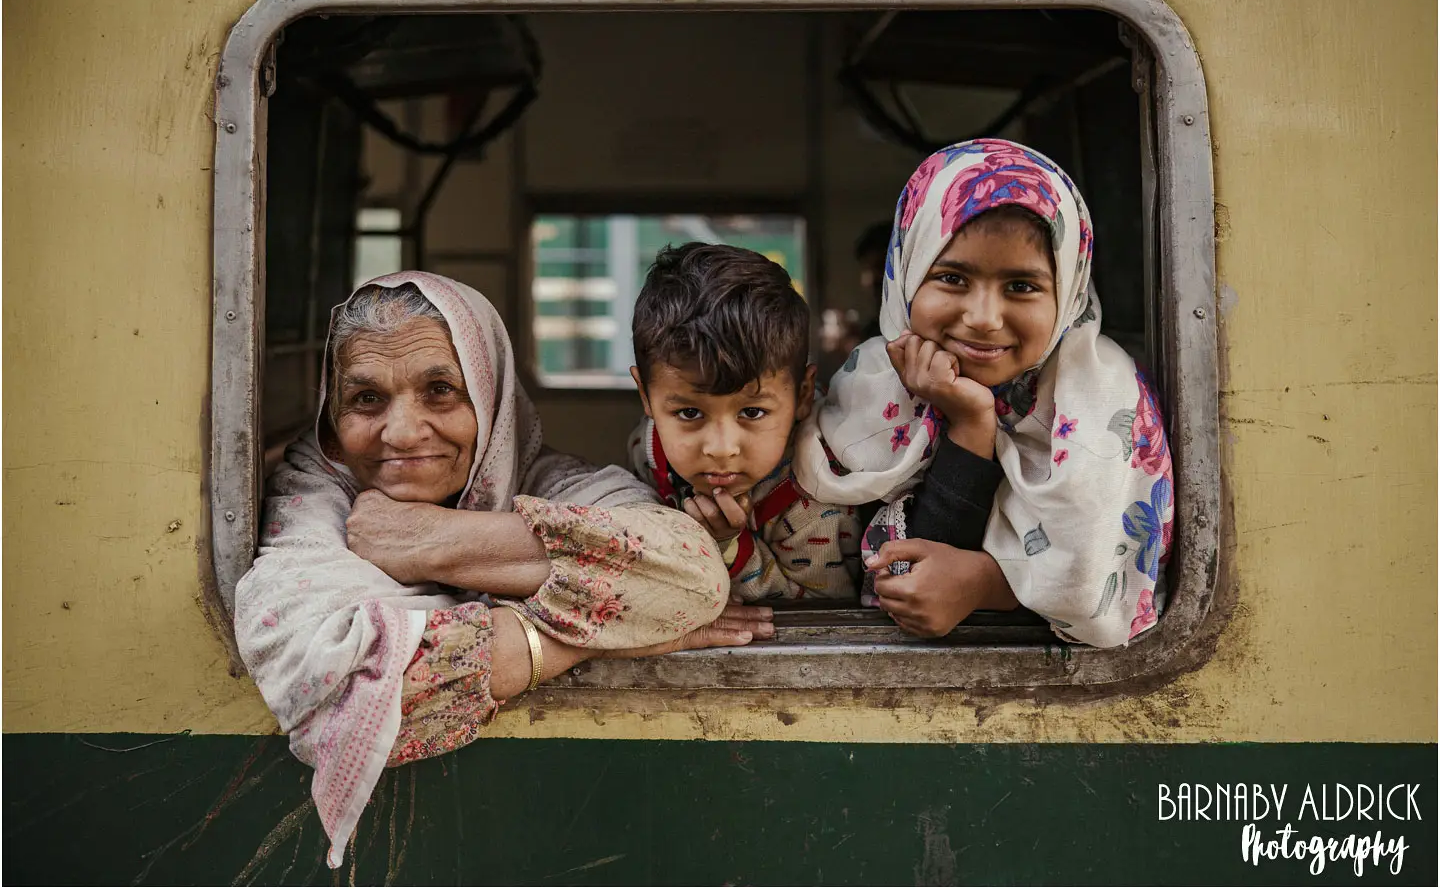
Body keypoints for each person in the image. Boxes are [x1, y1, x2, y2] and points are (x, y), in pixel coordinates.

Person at [236, 272, 771, 868]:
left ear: (491, 398)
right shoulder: (314, 496)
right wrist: (600, 634)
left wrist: (430, 540)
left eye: (441, 390)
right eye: (366, 399)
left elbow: (691, 570)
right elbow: (356, 687)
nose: (403, 432)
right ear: (333, 422)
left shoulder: (549, 482)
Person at [792, 139, 1173, 648]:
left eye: (1021, 286)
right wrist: (971, 425)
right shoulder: (869, 385)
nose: (984, 319)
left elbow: (1094, 583)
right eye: (951, 277)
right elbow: (898, 577)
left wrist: (988, 584)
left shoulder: (1101, 404)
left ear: (1069, 291)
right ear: (906, 276)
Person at [627, 244, 862, 600]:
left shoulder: (817, 501)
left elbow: (825, 616)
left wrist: (732, 551)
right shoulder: (647, 449)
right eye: (690, 413)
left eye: (752, 412)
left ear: (802, 395)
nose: (722, 449)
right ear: (646, 397)